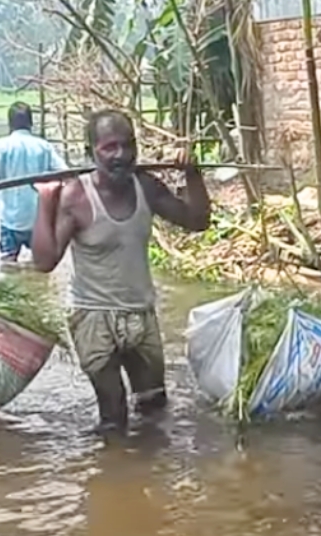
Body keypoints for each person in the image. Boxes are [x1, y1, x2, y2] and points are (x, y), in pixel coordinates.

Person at [30, 109, 211, 434]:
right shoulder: (76, 196)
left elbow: (197, 222)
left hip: (140, 314)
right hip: (93, 318)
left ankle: (148, 478)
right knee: (113, 416)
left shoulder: (146, 187)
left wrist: (193, 175)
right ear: (91, 152)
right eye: (110, 148)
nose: (121, 156)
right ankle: (111, 478)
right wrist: (46, 202)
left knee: (154, 407)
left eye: (128, 146)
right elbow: (44, 262)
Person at [0, 102, 67, 262]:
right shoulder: (44, 146)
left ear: (10, 124)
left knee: (8, 265)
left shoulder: (2, 146)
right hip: (38, 219)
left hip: (11, 219)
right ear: (31, 123)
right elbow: (64, 172)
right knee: (41, 265)